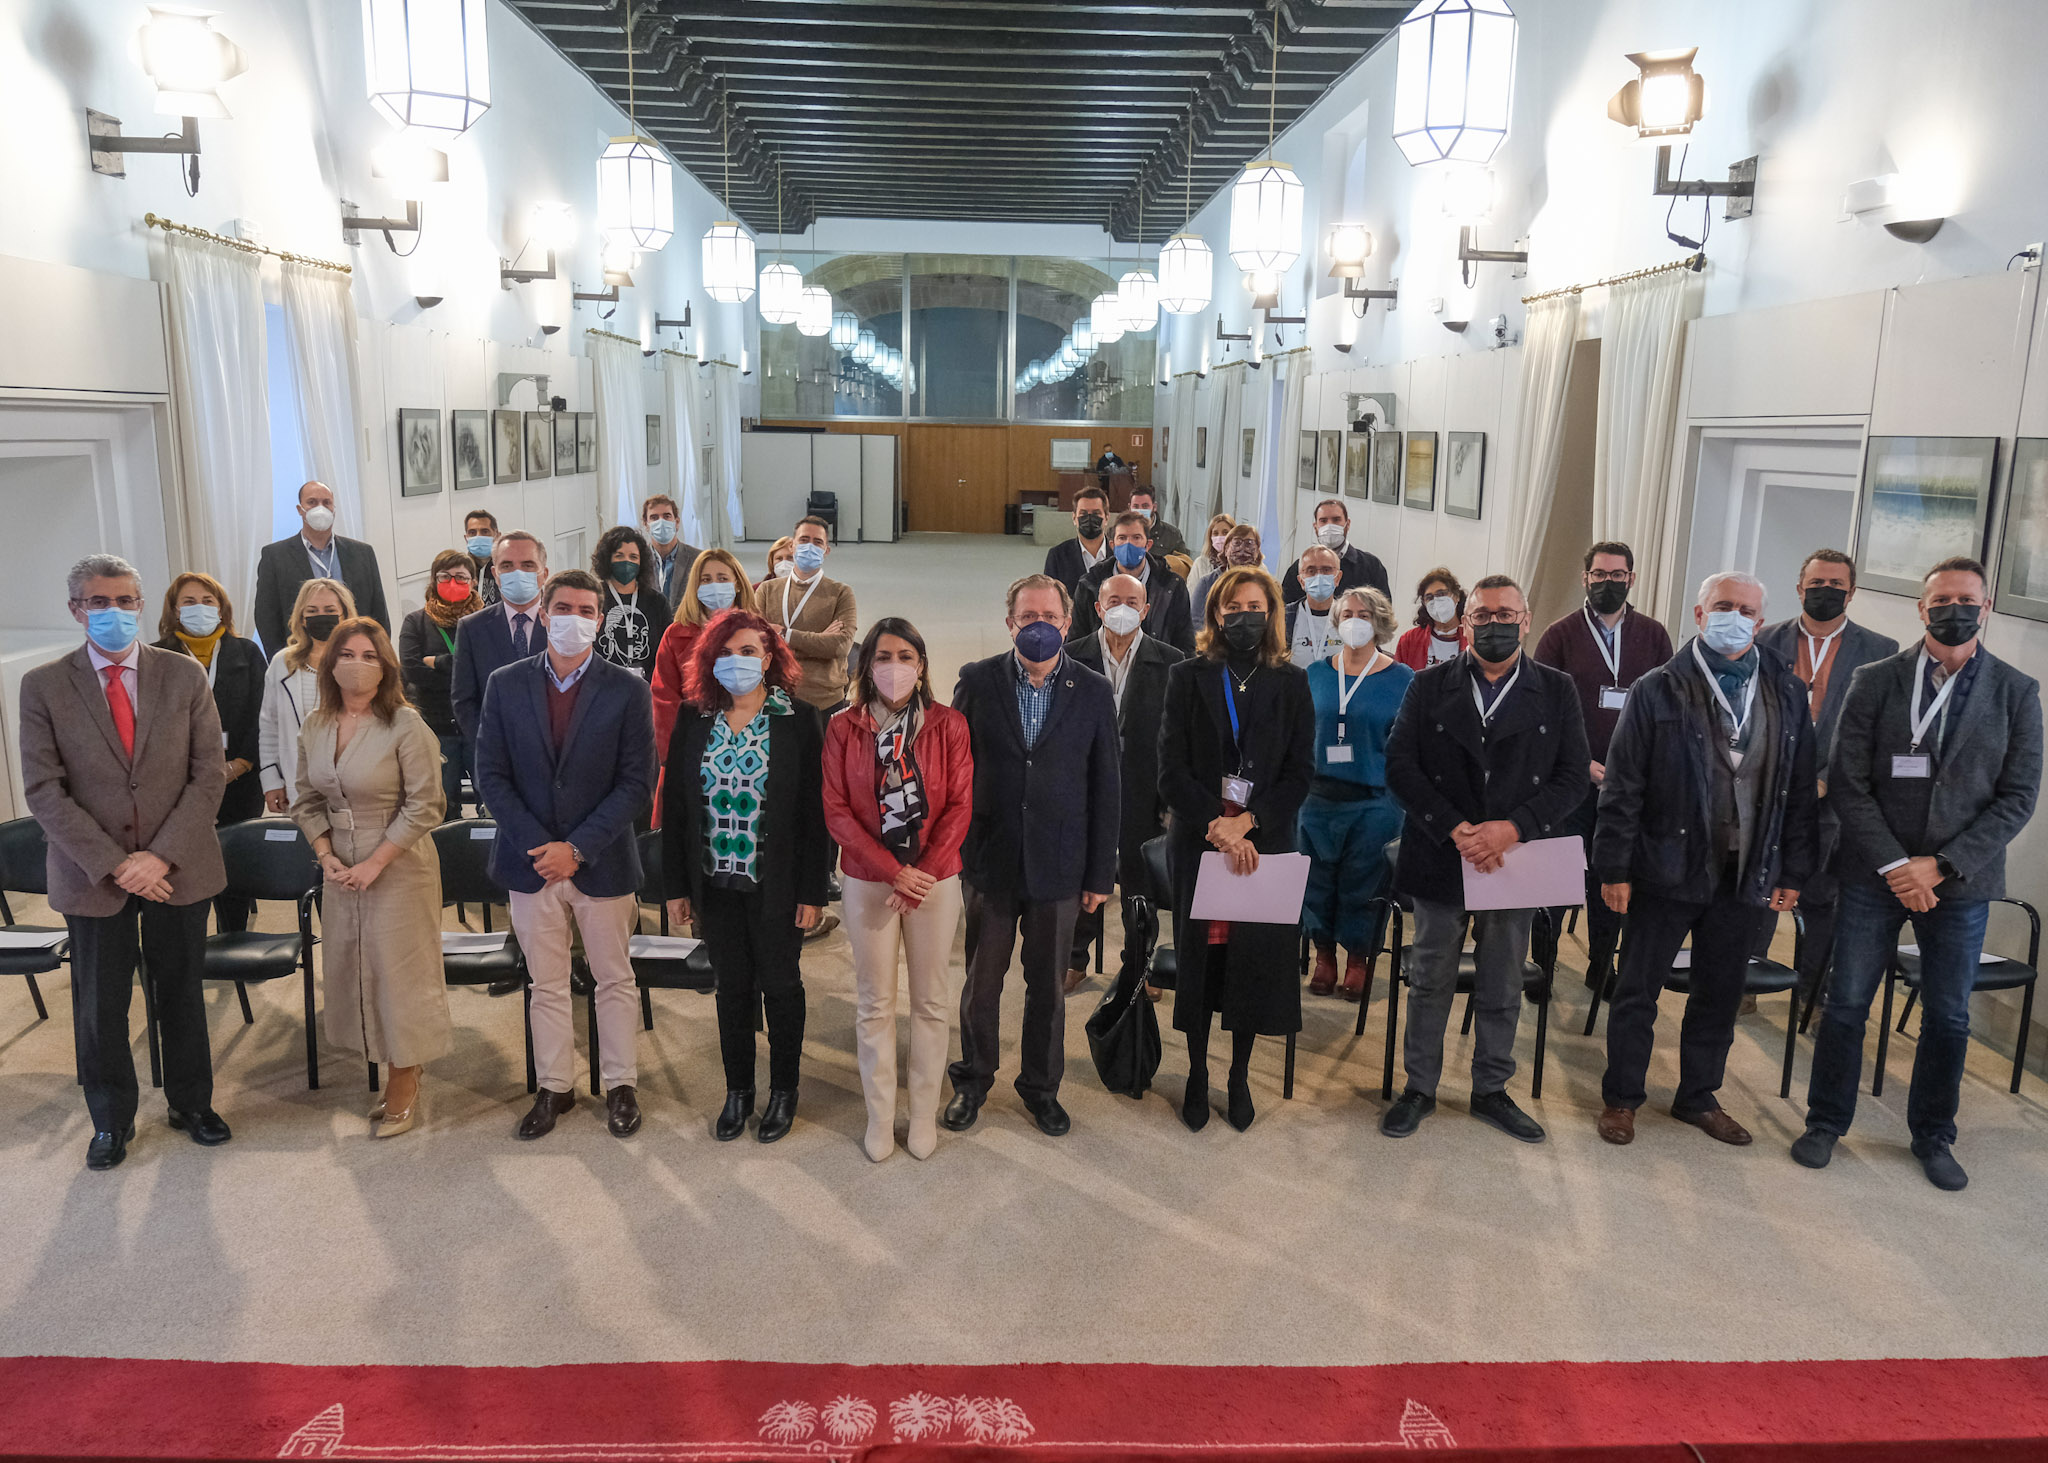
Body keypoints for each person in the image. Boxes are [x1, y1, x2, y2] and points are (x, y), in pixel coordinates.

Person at [1796, 557, 2043, 1192]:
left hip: (1962, 882)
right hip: (1874, 873)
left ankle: (1934, 1134)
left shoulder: (2017, 691)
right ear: (1921, 607)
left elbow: (2018, 797)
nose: (1953, 610)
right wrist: (1898, 864)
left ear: (1985, 609)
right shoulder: (1877, 680)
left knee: (1949, 1015)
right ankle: (1826, 1121)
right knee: (1847, 1002)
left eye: (1967, 600)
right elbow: (1849, 783)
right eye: (1942, 600)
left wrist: (1941, 864)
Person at [1592, 571, 1816, 1148]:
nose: (1734, 617)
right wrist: (1613, 868)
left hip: (1745, 873)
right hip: (1665, 866)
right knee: (1638, 989)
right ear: (1698, 614)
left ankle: (1697, 1096)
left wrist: (1794, 870)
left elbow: (1797, 786)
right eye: (1723, 606)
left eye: (1746, 609)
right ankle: (1622, 1098)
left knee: (1719, 991)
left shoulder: (1787, 691)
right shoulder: (1657, 688)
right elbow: (1622, 787)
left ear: (1761, 622)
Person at [20, 554, 230, 1170]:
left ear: (142, 606)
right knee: (99, 1005)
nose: (113, 613)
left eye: (125, 601)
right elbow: (43, 791)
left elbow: (207, 774)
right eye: (97, 602)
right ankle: (110, 1119)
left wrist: (159, 856)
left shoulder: (184, 674)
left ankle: (192, 1104)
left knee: (182, 993)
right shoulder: (44, 685)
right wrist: (117, 864)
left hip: (178, 867)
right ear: (76, 611)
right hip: (93, 876)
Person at [1381, 574, 1589, 1143]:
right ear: (1465, 621)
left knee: (1502, 982)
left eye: (1506, 615)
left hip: (1514, 859)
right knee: (1429, 979)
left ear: (1526, 621)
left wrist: (1513, 828)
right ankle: (1419, 1087)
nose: (1494, 624)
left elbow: (1574, 777)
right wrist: (1455, 827)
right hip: (1442, 850)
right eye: (1483, 614)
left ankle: (1491, 1089)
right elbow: (1400, 767)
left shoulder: (1557, 688)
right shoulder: (1427, 685)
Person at [474, 570, 656, 1141]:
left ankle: (620, 1084)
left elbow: (636, 783)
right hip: (530, 864)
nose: (575, 618)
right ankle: (554, 1087)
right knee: (545, 983)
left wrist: (576, 848)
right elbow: (491, 776)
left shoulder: (628, 689)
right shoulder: (505, 684)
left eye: (586, 609)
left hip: (600, 859)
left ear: (599, 620)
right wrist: (543, 848)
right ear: (545, 614)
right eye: (564, 607)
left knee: (613, 978)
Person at [945, 575, 1119, 1138]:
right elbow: (953, 772)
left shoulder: (1092, 690)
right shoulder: (978, 680)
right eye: (1027, 616)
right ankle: (973, 1080)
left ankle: (1041, 1088)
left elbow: (1106, 787)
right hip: (991, 860)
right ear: (1010, 622)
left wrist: (1099, 873)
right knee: (982, 981)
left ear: (1068, 623)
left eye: (1049, 616)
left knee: (1047, 985)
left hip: (1060, 863)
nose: (1038, 625)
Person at [663, 610, 831, 1144]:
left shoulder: (799, 719)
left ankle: (784, 1091)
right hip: (714, 882)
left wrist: (812, 890)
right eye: (727, 653)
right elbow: (676, 810)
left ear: (770, 658)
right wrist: (676, 887)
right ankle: (738, 1091)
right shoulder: (694, 718)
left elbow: (814, 814)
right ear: (711, 661)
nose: (738, 662)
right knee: (730, 988)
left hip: (775, 883)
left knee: (781, 986)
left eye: (750, 651)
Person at [1159, 565, 1316, 1132]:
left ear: (1271, 613)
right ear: (1215, 614)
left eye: (1255, 606)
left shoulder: (1292, 682)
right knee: (1202, 962)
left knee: (1251, 964)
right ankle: (1198, 1074)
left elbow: (1301, 774)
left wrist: (1248, 822)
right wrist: (1215, 825)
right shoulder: (1187, 675)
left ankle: (1239, 1076)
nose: (1243, 616)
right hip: (1201, 844)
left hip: (1264, 844)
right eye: (1232, 607)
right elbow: (1170, 769)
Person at [292, 617, 450, 1138]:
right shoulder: (315, 725)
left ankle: (405, 1073)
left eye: (369, 655)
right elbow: (306, 799)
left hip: (399, 863)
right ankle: (386, 1059)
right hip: (340, 866)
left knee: (400, 971)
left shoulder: (406, 724)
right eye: (347, 654)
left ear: (386, 665)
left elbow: (427, 804)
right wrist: (324, 852)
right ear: (329, 662)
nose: (357, 664)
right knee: (355, 966)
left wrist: (375, 862)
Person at [822, 619, 973, 1162]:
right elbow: (837, 812)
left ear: (923, 664)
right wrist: (892, 871)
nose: (894, 666)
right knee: (875, 1003)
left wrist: (922, 873)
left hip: (935, 880)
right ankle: (880, 1117)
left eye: (905, 655)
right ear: (866, 667)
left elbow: (959, 806)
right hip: (868, 882)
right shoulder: (843, 728)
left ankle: (924, 1115)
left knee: (931, 1001)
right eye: (883, 656)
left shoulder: (949, 725)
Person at [1754, 548, 1899, 1003]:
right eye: (1817, 584)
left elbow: (1873, 733)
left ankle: (1812, 997)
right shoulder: (1763, 642)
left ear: (1851, 593)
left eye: (1837, 585)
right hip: (1766, 790)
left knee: (1822, 900)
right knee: (1757, 891)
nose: (1826, 592)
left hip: (1836, 798)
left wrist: (1824, 780)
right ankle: (1744, 986)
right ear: (1799, 588)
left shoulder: (1880, 652)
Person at [1532, 542, 1675, 992]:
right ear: (1584, 578)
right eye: (1599, 574)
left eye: (1617, 575)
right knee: (1556, 877)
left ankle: (1601, 967)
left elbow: (1666, 712)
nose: (1607, 582)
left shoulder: (1653, 635)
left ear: (1631, 579)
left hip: (1628, 788)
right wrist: (1583, 764)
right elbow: (1541, 713)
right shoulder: (1559, 634)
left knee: (1611, 878)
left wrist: (1634, 774)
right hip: (1570, 781)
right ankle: (1543, 964)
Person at [1066, 570, 1186, 991]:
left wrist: (1170, 802)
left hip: (1143, 787)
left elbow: (1179, 738)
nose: (1122, 610)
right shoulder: (1071, 657)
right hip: (1084, 787)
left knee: (1140, 882)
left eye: (1132, 603)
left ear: (1146, 610)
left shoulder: (1173, 663)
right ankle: (1075, 958)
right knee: (1084, 874)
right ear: (1097, 608)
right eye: (1113, 601)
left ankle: (1140, 964)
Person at [1299, 587, 1411, 1000]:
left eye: (1364, 613)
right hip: (1316, 798)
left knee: (1364, 884)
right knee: (1317, 881)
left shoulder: (1402, 679)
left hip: (1375, 800)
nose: (1354, 620)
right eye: (1347, 613)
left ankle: (1358, 960)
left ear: (1379, 621)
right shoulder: (1315, 674)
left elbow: (1407, 747)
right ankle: (1323, 955)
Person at [152, 572, 265, 933]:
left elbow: (263, 713)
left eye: (207, 601)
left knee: (233, 856)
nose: (198, 608)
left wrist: (242, 762)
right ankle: (188, 939)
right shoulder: (156, 657)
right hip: (177, 783)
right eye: (188, 601)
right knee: (189, 859)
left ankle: (233, 933)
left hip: (241, 777)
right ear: (174, 610)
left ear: (222, 609)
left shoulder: (246, 652)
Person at [252, 480, 391, 654]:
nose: (320, 508)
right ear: (300, 509)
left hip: (354, 654)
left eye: (326, 502)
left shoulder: (362, 553)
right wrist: (283, 661)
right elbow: (266, 616)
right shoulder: (275, 556)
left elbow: (378, 611)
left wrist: (378, 654)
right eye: (312, 502)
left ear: (334, 509)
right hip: (301, 656)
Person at [259, 578, 356, 817]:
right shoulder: (282, 663)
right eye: (312, 611)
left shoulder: (359, 659)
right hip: (297, 785)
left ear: (344, 615)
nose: (320, 616)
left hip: (354, 786)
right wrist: (271, 780)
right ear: (301, 618)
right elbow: (269, 726)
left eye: (330, 611)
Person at [651, 548, 758, 763]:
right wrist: (675, 754)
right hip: (693, 745)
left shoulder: (757, 633)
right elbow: (665, 700)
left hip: (749, 745)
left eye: (722, 578)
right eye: (706, 580)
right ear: (696, 587)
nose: (714, 586)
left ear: (737, 583)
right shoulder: (676, 635)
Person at [399, 550, 481, 820]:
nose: (453, 582)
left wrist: (439, 662)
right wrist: (465, 669)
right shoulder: (416, 622)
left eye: (461, 576)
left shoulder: (485, 621)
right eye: (444, 576)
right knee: (443, 807)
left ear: (474, 582)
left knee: (491, 803)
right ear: (433, 581)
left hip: (479, 728)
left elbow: (492, 670)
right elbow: (412, 671)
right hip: (435, 729)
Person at [761, 515, 856, 713]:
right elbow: (757, 642)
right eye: (804, 540)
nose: (810, 546)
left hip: (824, 699)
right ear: (792, 546)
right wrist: (819, 641)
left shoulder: (840, 593)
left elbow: (839, 647)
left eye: (818, 542)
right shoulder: (767, 590)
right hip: (775, 695)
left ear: (826, 551)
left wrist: (784, 635)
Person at [1066, 510, 1195, 653]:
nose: (1129, 544)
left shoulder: (1172, 586)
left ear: (1148, 545)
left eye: (1136, 538)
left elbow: (1185, 643)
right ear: (1112, 545)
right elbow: (1076, 642)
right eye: (1122, 538)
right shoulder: (1090, 584)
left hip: (1159, 670)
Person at [591, 524, 674, 681]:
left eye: (633, 557)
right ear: (607, 559)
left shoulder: (657, 602)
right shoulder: (593, 597)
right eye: (619, 556)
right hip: (602, 688)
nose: (626, 562)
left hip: (648, 690)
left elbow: (668, 652)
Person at [1279, 499, 1390, 606]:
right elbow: (1283, 609)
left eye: (1336, 520)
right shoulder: (1300, 568)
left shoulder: (1370, 566)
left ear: (1348, 523)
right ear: (1315, 527)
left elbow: (1384, 611)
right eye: (1323, 521)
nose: (1329, 526)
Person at [1043, 486, 1112, 599]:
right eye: (1083, 514)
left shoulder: (1119, 554)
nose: (1089, 518)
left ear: (1107, 518)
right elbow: (1050, 599)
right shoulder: (1057, 555)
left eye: (1096, 513)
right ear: (1074, 518)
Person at [1392, 568, 1468, 670]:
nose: (1436, 600)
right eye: (1429, 597)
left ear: (1456, 596)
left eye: (1441, 594)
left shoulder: (1472, 638)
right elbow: (1399, 678)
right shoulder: (1410, 640)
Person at [640, 493, 702, 610]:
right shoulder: (638, 560)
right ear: (646, 525)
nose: (661, 522)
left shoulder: (698, 558)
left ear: (677, 522)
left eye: (667, 516)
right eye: (654, 518)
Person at [1285, 545, 1343, 666]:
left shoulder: (1350, 618)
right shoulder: (1284, 618)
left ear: (1337, 578)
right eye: (1311, 571)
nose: (1319, 576)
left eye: (1326, 570)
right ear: (1301, 580)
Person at [1196, 524, 1265, 619]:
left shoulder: (1267, 585)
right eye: (1237, 543)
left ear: (1257, 551)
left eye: (1249, 543)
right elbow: (1196, 620)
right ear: (1226, 549)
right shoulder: (1207, 583)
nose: (1242, 549)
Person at [1127, 484, 1188, 559]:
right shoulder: (1118, 532)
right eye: (1136, 506)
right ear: (1130, 508)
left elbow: (1184, 564)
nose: (1140, 511)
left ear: (1154, 507)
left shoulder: (1172, 535)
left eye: (1145, 506)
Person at [463, 509, 501, 608]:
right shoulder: (459, 571)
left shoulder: (507, 569)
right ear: (466, 538)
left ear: (497, 536)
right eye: (472, 532)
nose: (478, 536)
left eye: (485, 531)